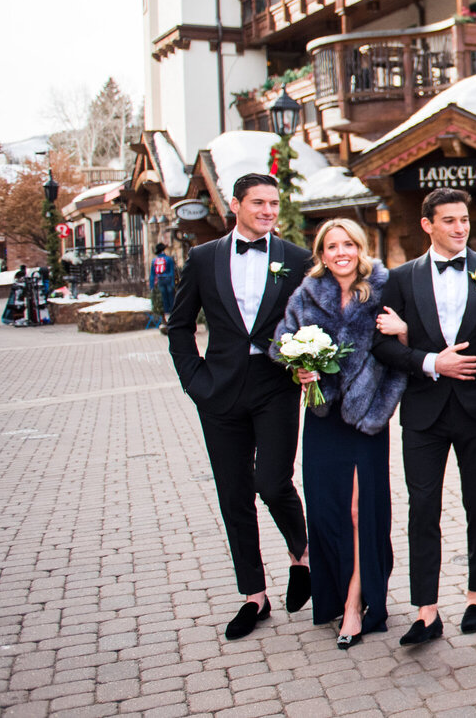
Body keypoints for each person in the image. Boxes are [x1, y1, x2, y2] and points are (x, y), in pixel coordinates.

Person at [167, 173, 312, 640]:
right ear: (235, 205)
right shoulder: (203, 258)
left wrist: (309, 361)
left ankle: (301, 554)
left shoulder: (295, 258)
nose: (268, 211)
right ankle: (253, 595)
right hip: (220, 389)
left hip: (275, 384)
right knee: (233, 493)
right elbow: (180, 325)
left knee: (272, 481)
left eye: (274, 203)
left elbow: (314, 318)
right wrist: (195, 381)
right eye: (258, 203)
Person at [371, 188, 476, 646]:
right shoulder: (399, 278)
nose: (459, 228)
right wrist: (432, 362)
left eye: (465, 220)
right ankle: (425, 609)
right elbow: (382, 345)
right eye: (449, 220)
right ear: (427, 224)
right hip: (422, 408)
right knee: (422, 507)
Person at [270, 218, 404, 649]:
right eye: (332, 246)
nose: (341, 252)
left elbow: (411, 336)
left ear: (360, 248)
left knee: (360, 510)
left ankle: (355, 602)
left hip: (367, 416)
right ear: (321, 254)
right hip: (323, 417)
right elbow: (281, 343)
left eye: (348, 244)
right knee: (328, 510)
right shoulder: (307, 293)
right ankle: (337, 591)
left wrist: (403, 330)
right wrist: (299, 364)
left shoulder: (384, 287)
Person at [152, 243, 178, 334]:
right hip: (168, 280)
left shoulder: (155, 260)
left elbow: (152, 274)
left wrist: (152, 286)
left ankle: (167, 316)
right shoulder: (168, 259)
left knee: (164, 298)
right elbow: (172, 272)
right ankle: (173, 315)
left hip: (160, 280)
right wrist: (172, 283)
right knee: (171, 298)